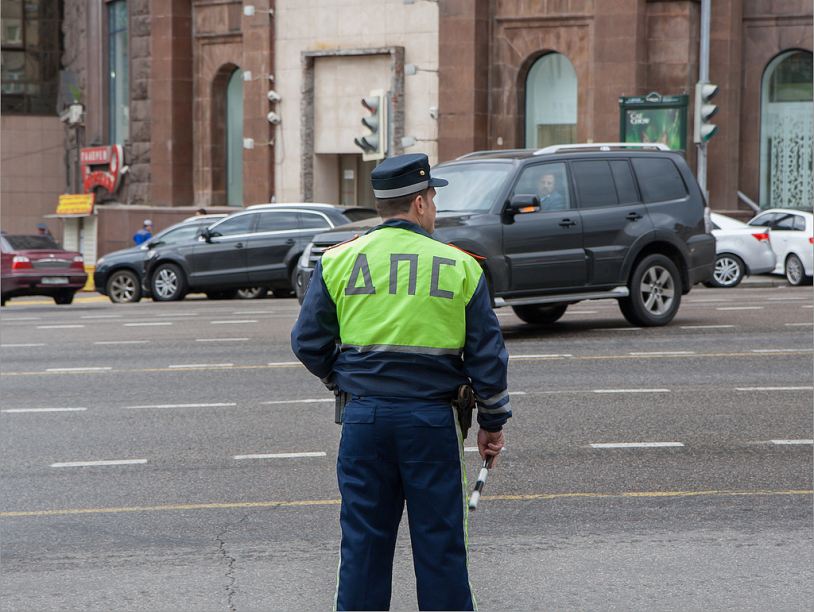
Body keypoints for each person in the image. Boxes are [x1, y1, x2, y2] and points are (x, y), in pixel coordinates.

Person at [291, 153, 511, 611]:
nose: (434, 206)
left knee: (363, 548)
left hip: (364, 419)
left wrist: (343, 380)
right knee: (441, 549)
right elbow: (487, 358)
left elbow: (308, 343)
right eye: (433, 197)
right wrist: (492, 421)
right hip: (432, 423)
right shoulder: (459, 267)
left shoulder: (338, 261)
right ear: (418, 203)